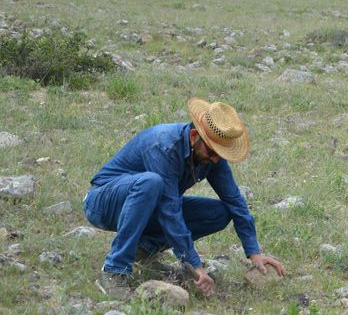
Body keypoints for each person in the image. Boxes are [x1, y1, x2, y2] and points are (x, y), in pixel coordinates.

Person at [83, 98, 286, 298]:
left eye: (220, 154)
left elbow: (235, 202)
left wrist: (254, 252)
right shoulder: (163, 145)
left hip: (146, 207)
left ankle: (142, 251)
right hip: (103, 204)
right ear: (194, 136)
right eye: (212, 151)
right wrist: (195, 265)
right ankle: (114, 271)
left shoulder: (211, 158)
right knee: (150, 182)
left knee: (220, 213)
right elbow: (169, 211)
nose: (215, 159)